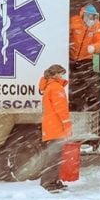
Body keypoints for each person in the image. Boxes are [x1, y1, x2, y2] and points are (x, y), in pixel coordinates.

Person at [39, 64, 72, 192]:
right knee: (54, 157)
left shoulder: (48, 87)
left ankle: (53, 181)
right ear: (55, 75)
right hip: (57, 127)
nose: (62, 76)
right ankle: (49, 183)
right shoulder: (56, 88)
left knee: (54, 156)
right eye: (61, 73)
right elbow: (62, 109)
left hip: (50, 126)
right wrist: (67, 125)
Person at [69, 3, 100, 111]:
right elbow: (65, 34)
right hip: (71, 58)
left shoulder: (97, 25)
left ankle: (90, 104)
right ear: (83, 14)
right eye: (89, 16)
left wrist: (94, 47)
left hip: (87, 60)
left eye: (93, 16)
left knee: (88, 83)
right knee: (73, 83)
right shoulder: (74, 21)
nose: (91, 18)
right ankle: (73, 104)